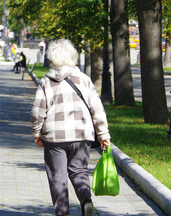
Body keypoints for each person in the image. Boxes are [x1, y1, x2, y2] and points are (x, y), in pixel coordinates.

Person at [31, 39, 111, 216]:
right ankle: (85, 199)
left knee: (57, 177)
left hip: (54, 136)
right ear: (73, 57)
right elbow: (97, 109)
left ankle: (62, 213)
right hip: (82, 134)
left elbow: (38, 111)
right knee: (79, 171)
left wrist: (37, 133)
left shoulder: (46, 81)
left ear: (52, 59)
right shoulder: (84, 79)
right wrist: (103, 134)